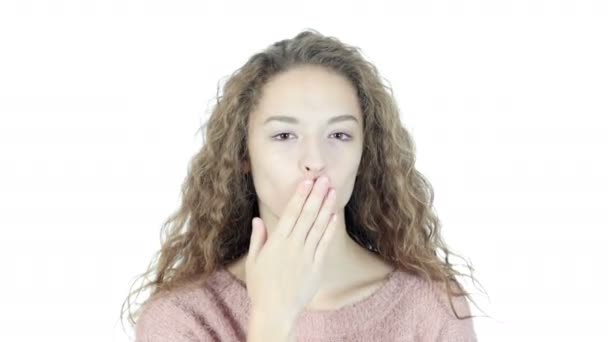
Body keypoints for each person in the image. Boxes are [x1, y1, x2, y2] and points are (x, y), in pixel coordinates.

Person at [122, 29, 483, 341]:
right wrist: (273, 318)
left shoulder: (431, 308)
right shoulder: (182, 319)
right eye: (284, 135)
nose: (315, 159)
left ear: (364, 153)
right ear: (243, 154)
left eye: (339, 134)